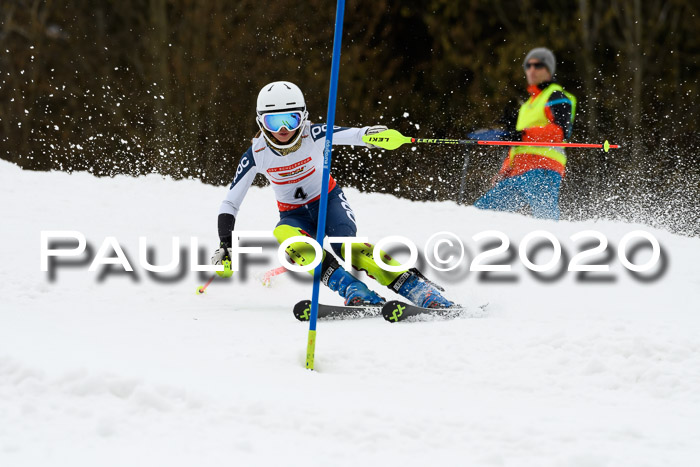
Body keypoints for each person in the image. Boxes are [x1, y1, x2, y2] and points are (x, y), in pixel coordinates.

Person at [211, 81, 453, 308]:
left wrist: (373, 136)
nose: (283, 129)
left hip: (328, 202)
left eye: (291, 120)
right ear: (261, 122)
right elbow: (230, 203)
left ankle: (418, 289)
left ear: (303, 117)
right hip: (295, 215)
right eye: (274, 122)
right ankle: (354, 290)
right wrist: (226, 244)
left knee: (345, 246)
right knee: (283, 233)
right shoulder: (256, 154)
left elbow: (357, 135)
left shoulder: (313, 134)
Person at [471, 47, 576, 220]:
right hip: (517, 172)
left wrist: (523, 135)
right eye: (528, 66)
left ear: (548, 70)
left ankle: (552, 244)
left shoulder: (556, 96)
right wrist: (504, 171)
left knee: (546, 219)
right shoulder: (527, 105)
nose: (531, 70)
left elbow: (560, 132)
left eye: (538, 65)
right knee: (480, 214)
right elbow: (517, 144)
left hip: (543, 169)